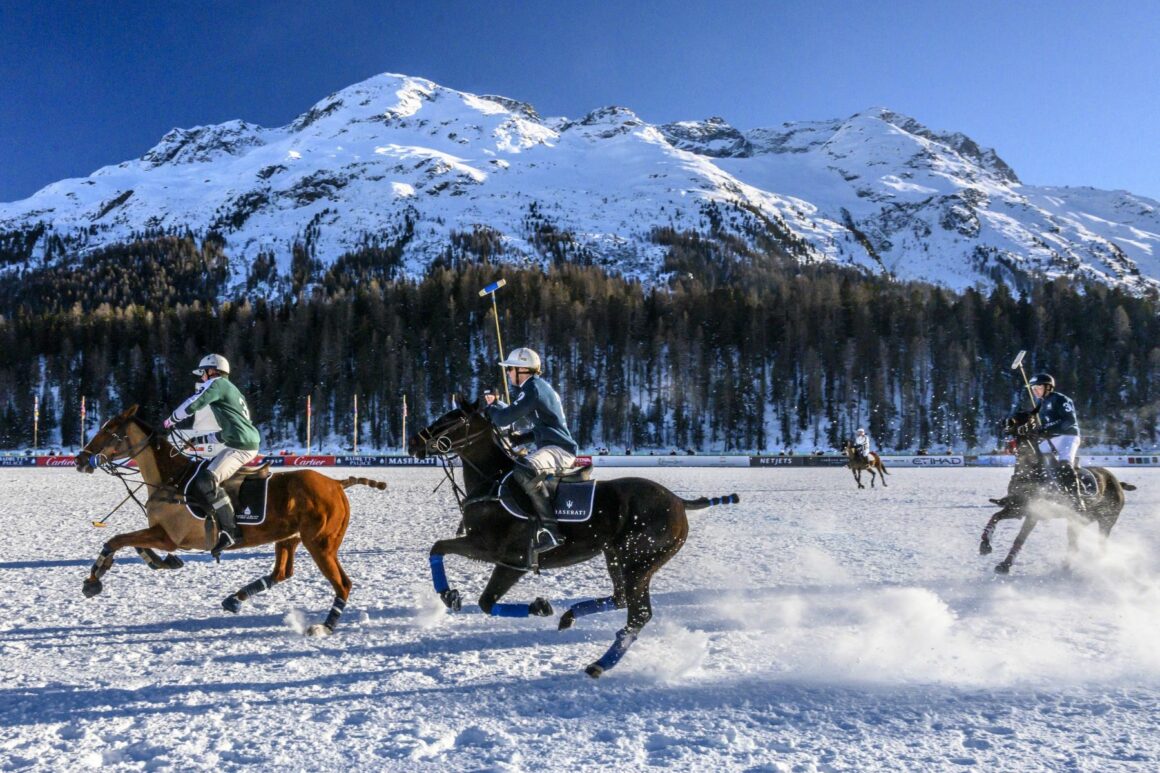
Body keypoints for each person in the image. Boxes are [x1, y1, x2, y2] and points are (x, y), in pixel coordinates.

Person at [482, 347, 578, 558]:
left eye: (510, 369)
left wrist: (490, 409)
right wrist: (521, 438)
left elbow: (504, 418)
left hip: (560, 450)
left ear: (522, 370)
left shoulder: (532, 388)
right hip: (552, 445)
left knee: (524, 469)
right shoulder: (537, 387)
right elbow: (545, 427)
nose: (508, 374)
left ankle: (552, 532)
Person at [163, 354, 261, 558]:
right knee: (204, 471)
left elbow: (194, 403)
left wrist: (171, 420)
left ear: (213, 371)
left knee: (206, 481)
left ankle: (230, 532)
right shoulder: (229, 390)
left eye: (203, 373)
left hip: (242, 447)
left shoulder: (218, 384)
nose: (202, 379)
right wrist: (197, 442)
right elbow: (224, 433)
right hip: (238, 442)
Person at [1025, 372, 1084, 510]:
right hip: (1051, 438)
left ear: (1048, 387)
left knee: (1064, 464)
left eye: (1038, 387)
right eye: (1033, 388)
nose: (1035, 391)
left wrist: (1046, 428)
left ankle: (1077, 500)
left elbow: (1069, 420)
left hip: (1067, 437)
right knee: (1030, 459)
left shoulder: (1061, 399)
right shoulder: (1041, 403)